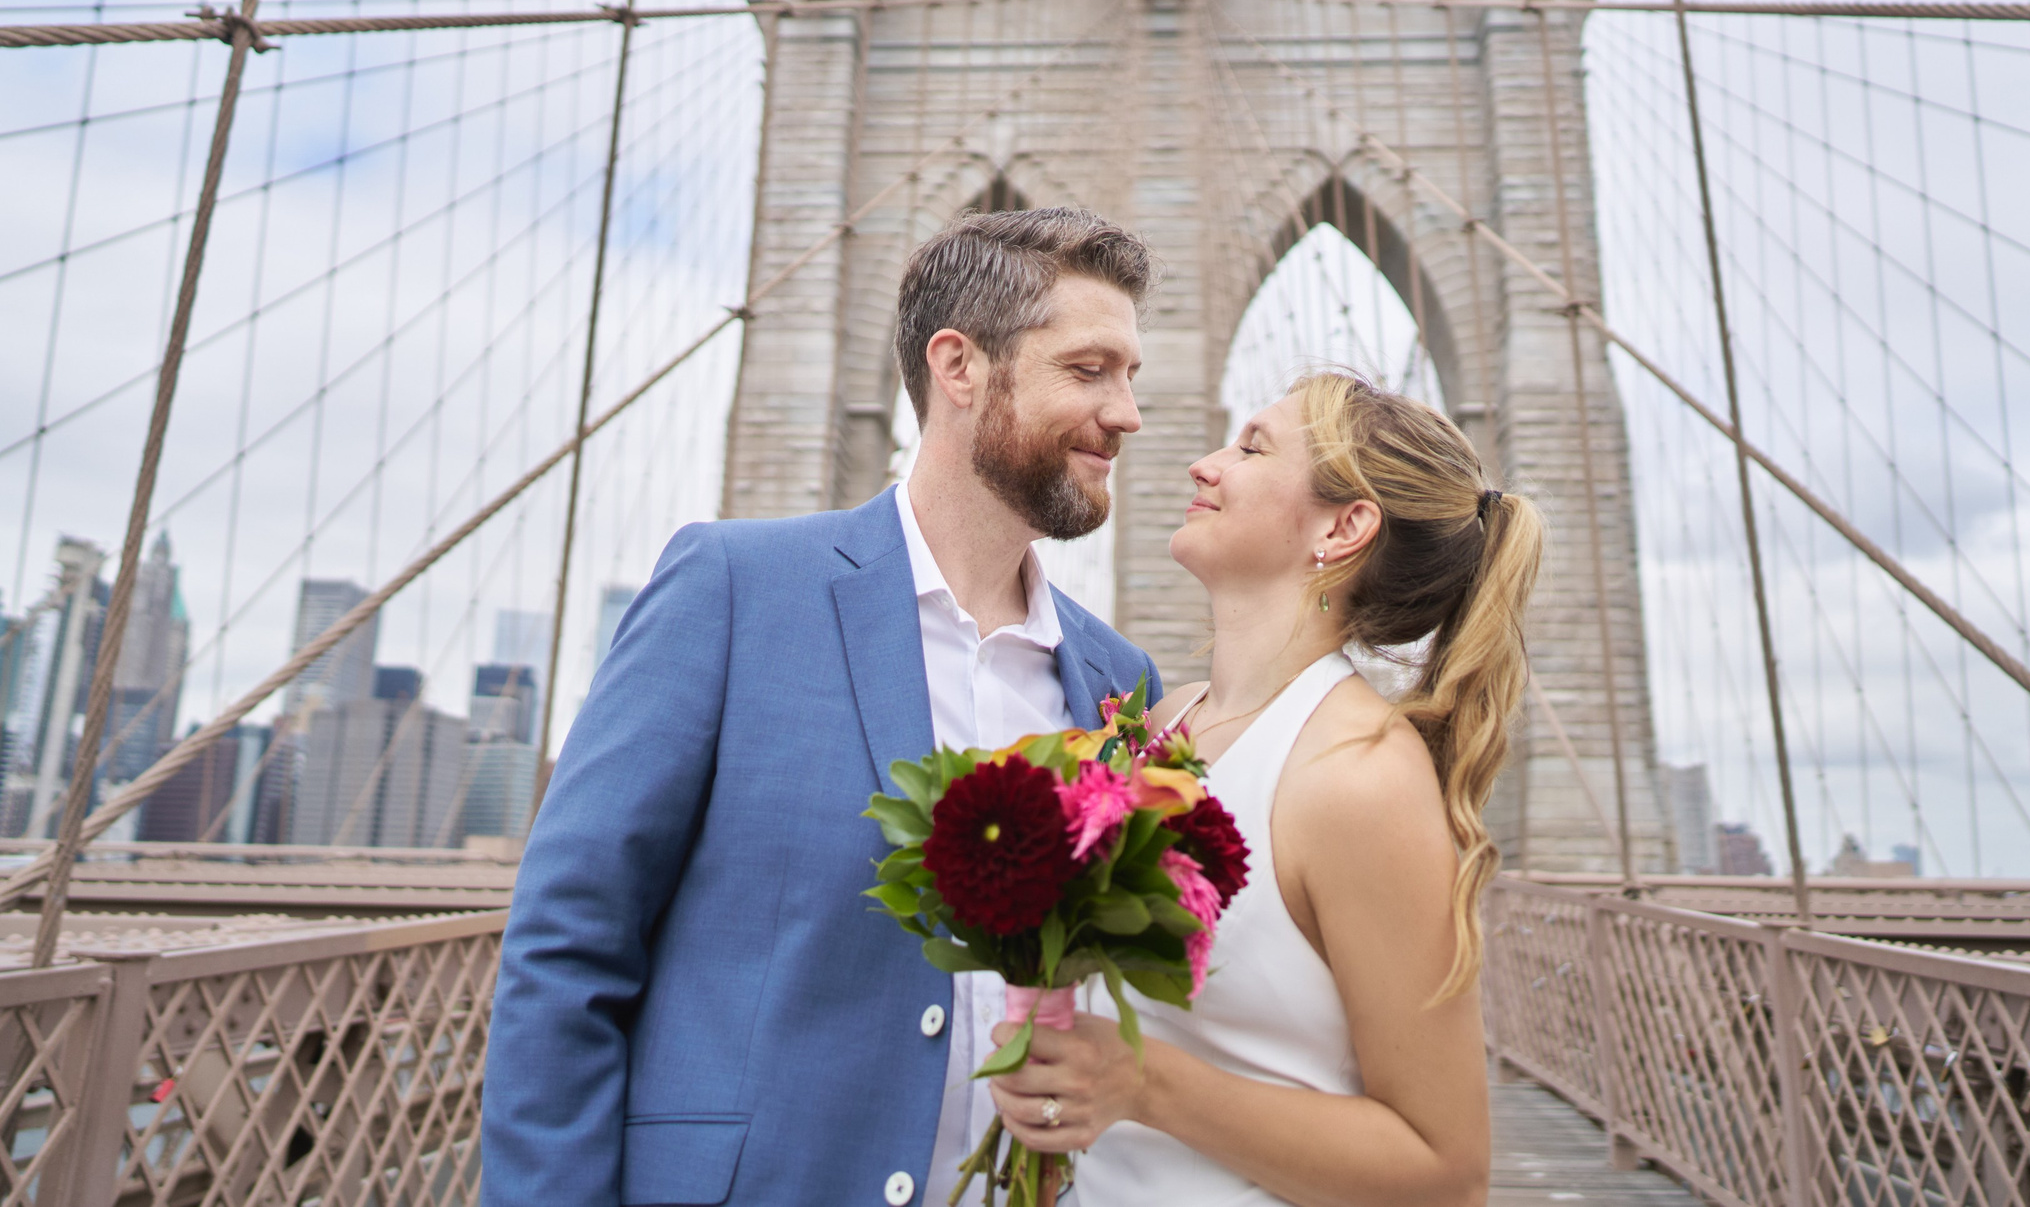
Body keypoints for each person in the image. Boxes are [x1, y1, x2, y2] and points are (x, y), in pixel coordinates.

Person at [484, 207, 1164, 1206]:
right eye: (1089, 370)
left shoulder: (1117, 684)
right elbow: (565, 949)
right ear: (960, 367)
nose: (1128, 415)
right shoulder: (733, 589)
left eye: (1131, 377)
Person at [988, 371, 1541, 1206]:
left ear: (1344, 524)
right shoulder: (1163, 724)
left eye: (1251, 447)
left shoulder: (1359, 774)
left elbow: (1447, 1171)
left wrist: (1144, 1083)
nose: (1202, 466)